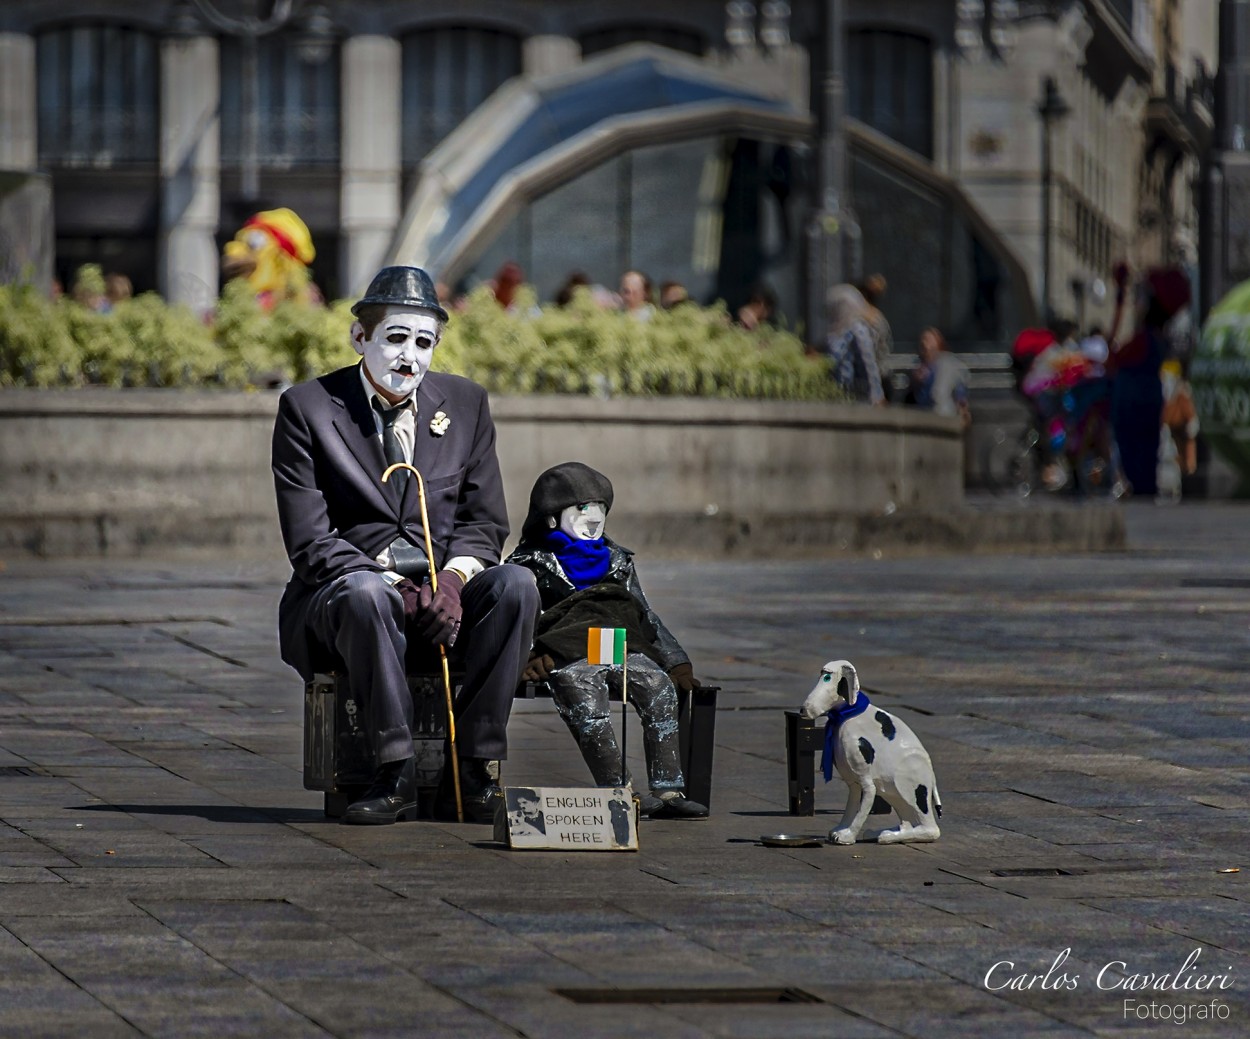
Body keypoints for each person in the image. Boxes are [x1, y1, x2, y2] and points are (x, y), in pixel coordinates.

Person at [271, 265, 541, 825]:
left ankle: (474, 769)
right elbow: (312, 543)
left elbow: (485, 522)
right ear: (360, 338)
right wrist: (397, 584)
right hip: (347, 598)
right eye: (395, 338)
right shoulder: (309, 408)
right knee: (368, 595)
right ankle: (392, 773)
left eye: (424, 342)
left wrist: (454, 582)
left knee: (516, 586)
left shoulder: (466, 404)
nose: (409, 356)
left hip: (442, 594)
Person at [505, 462, 708, 819]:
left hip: (618, 643)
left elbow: (644, 614)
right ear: (552, 517)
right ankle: (618, 790)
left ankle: (669, 789)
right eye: (582, 509)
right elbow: (522, 615)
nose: (593, 517)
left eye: (599, 508)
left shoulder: (617, 561)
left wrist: (676, 660)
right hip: (564, 654)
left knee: (657, 686)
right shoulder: (530, 562)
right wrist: (527, 658)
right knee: (585, 695)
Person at [1106, 264, 1191, 498]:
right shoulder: (1158, 339)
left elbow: (1111, 357)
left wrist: (1119, 301)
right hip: (1149, 401)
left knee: (1136, 463)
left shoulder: (1142, 340)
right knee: (1146, 462)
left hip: (1130, 404)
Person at [823, 284, 886, 405]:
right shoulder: (837, 332)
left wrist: (877, 394)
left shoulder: (857, 329)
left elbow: (868, 362)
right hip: (838, 392)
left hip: (856, 394)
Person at [905, 327, 970, 428]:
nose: (925, 342)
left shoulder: (948, 363)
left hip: (942, 412)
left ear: (938, 342)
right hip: (922, 415)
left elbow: (959, 389)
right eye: (923, 339)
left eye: (929, 339)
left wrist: (963, 409)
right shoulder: (918, 367)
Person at [857, 273, 895, 399]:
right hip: (879, 377)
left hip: (876, 380)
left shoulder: (871, 321)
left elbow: (868, 352)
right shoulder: (878, 319)